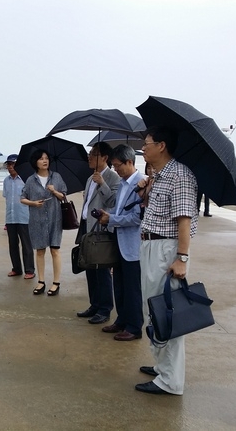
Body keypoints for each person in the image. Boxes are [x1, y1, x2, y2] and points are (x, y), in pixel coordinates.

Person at [135, 126, 198, 396]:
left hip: (166, 248)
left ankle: (170, 381)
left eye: (146, 144)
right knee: (153, 309)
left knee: (167, 312)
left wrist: (182, 258)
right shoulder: (158, 176)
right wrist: (144, 189)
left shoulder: (179, 175)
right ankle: (163, 367)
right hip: (151, 244)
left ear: (161, 145)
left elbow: (184, 219)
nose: (143, 148)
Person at [97, 145, 144, 341]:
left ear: (130, 162)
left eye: (118, 166)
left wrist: (112, 220)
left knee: (132, 287)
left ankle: (134, 326)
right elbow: (121, 211)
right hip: (120, 241)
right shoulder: (124, 183)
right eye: (114, 166)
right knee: (120, 284)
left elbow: (136, 218)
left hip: (133, 244)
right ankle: (122, 320)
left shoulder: (141, 184)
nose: (116, 170)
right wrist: (109, 216)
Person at [75, 142, 120, 323]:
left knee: (101, 270)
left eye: (93, 154)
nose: (90, 156)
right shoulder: (89, 178)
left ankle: (105, 308)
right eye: (90, 153)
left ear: (104, 158)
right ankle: (94, 304)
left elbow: (113, 202)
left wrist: (102, 183)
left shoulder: (112, 177)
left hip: (101, 230)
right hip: (86, 227)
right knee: (88, 267)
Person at [20, 150, 67, 296]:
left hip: (55, 218)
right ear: (36, 162)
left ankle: (56, 282)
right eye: (41, 159)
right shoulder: (30, 180)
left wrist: (54, 191)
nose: (44, 161)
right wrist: (33, 203)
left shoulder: (56, 177)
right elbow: (22, 198)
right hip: (37, 219)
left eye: (46, 158)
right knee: (40, 251)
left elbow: (64, 196)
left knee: (55, 250)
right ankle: (41, 281)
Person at [2, 154, 35, 279]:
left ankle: (29, 270)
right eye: (8, 164)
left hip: (24, 217)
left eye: (13, 164)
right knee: (12, 245)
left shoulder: (26, 180)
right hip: (10, 217)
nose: (10, 167)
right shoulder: (6, 181)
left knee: (27, 245)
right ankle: (16, 268)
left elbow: (32, 197)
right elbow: (6, 197)